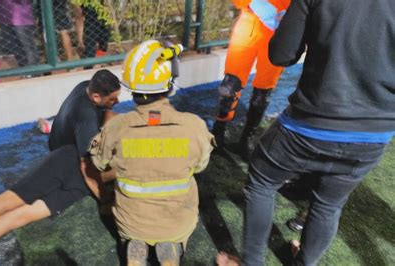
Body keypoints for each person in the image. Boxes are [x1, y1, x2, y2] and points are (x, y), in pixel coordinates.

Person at [216, 0, 395, 265]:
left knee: (263, 181)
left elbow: (281, 55)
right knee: (329, 204)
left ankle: (251, 262)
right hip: (373, 133)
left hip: (310, 124)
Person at [0, 70, 121, 264]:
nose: (117, 103)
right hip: (66, 162)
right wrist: (104, 199)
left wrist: (109, 114)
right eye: (113, 99)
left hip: (79, 179)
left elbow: (106, 125)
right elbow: (88, 169)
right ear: (96, 96)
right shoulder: (87, 120)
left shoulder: (86, 87)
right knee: (8, 202)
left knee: (19, 216)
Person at [88, 40, 215, 266]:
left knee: (131, 228)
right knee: (178, 229)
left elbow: (98, 163)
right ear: (170, 83)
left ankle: (133, 243)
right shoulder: (194, 126)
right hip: (177, 220)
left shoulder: (116, 127)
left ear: (131, 87)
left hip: (131, 220)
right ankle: (173, 244)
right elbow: (200, 166)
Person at [211, 0, 290, 161]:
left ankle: (246, 139)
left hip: (279, 30)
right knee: (230, 84)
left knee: (264, 90)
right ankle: (218, 134)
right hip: (250, 21)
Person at [0, 0, 40, 68]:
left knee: (26, 45)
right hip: (4, 15)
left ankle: (33, 71)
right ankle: (24, 69)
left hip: (21, 16)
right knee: (14, 46)